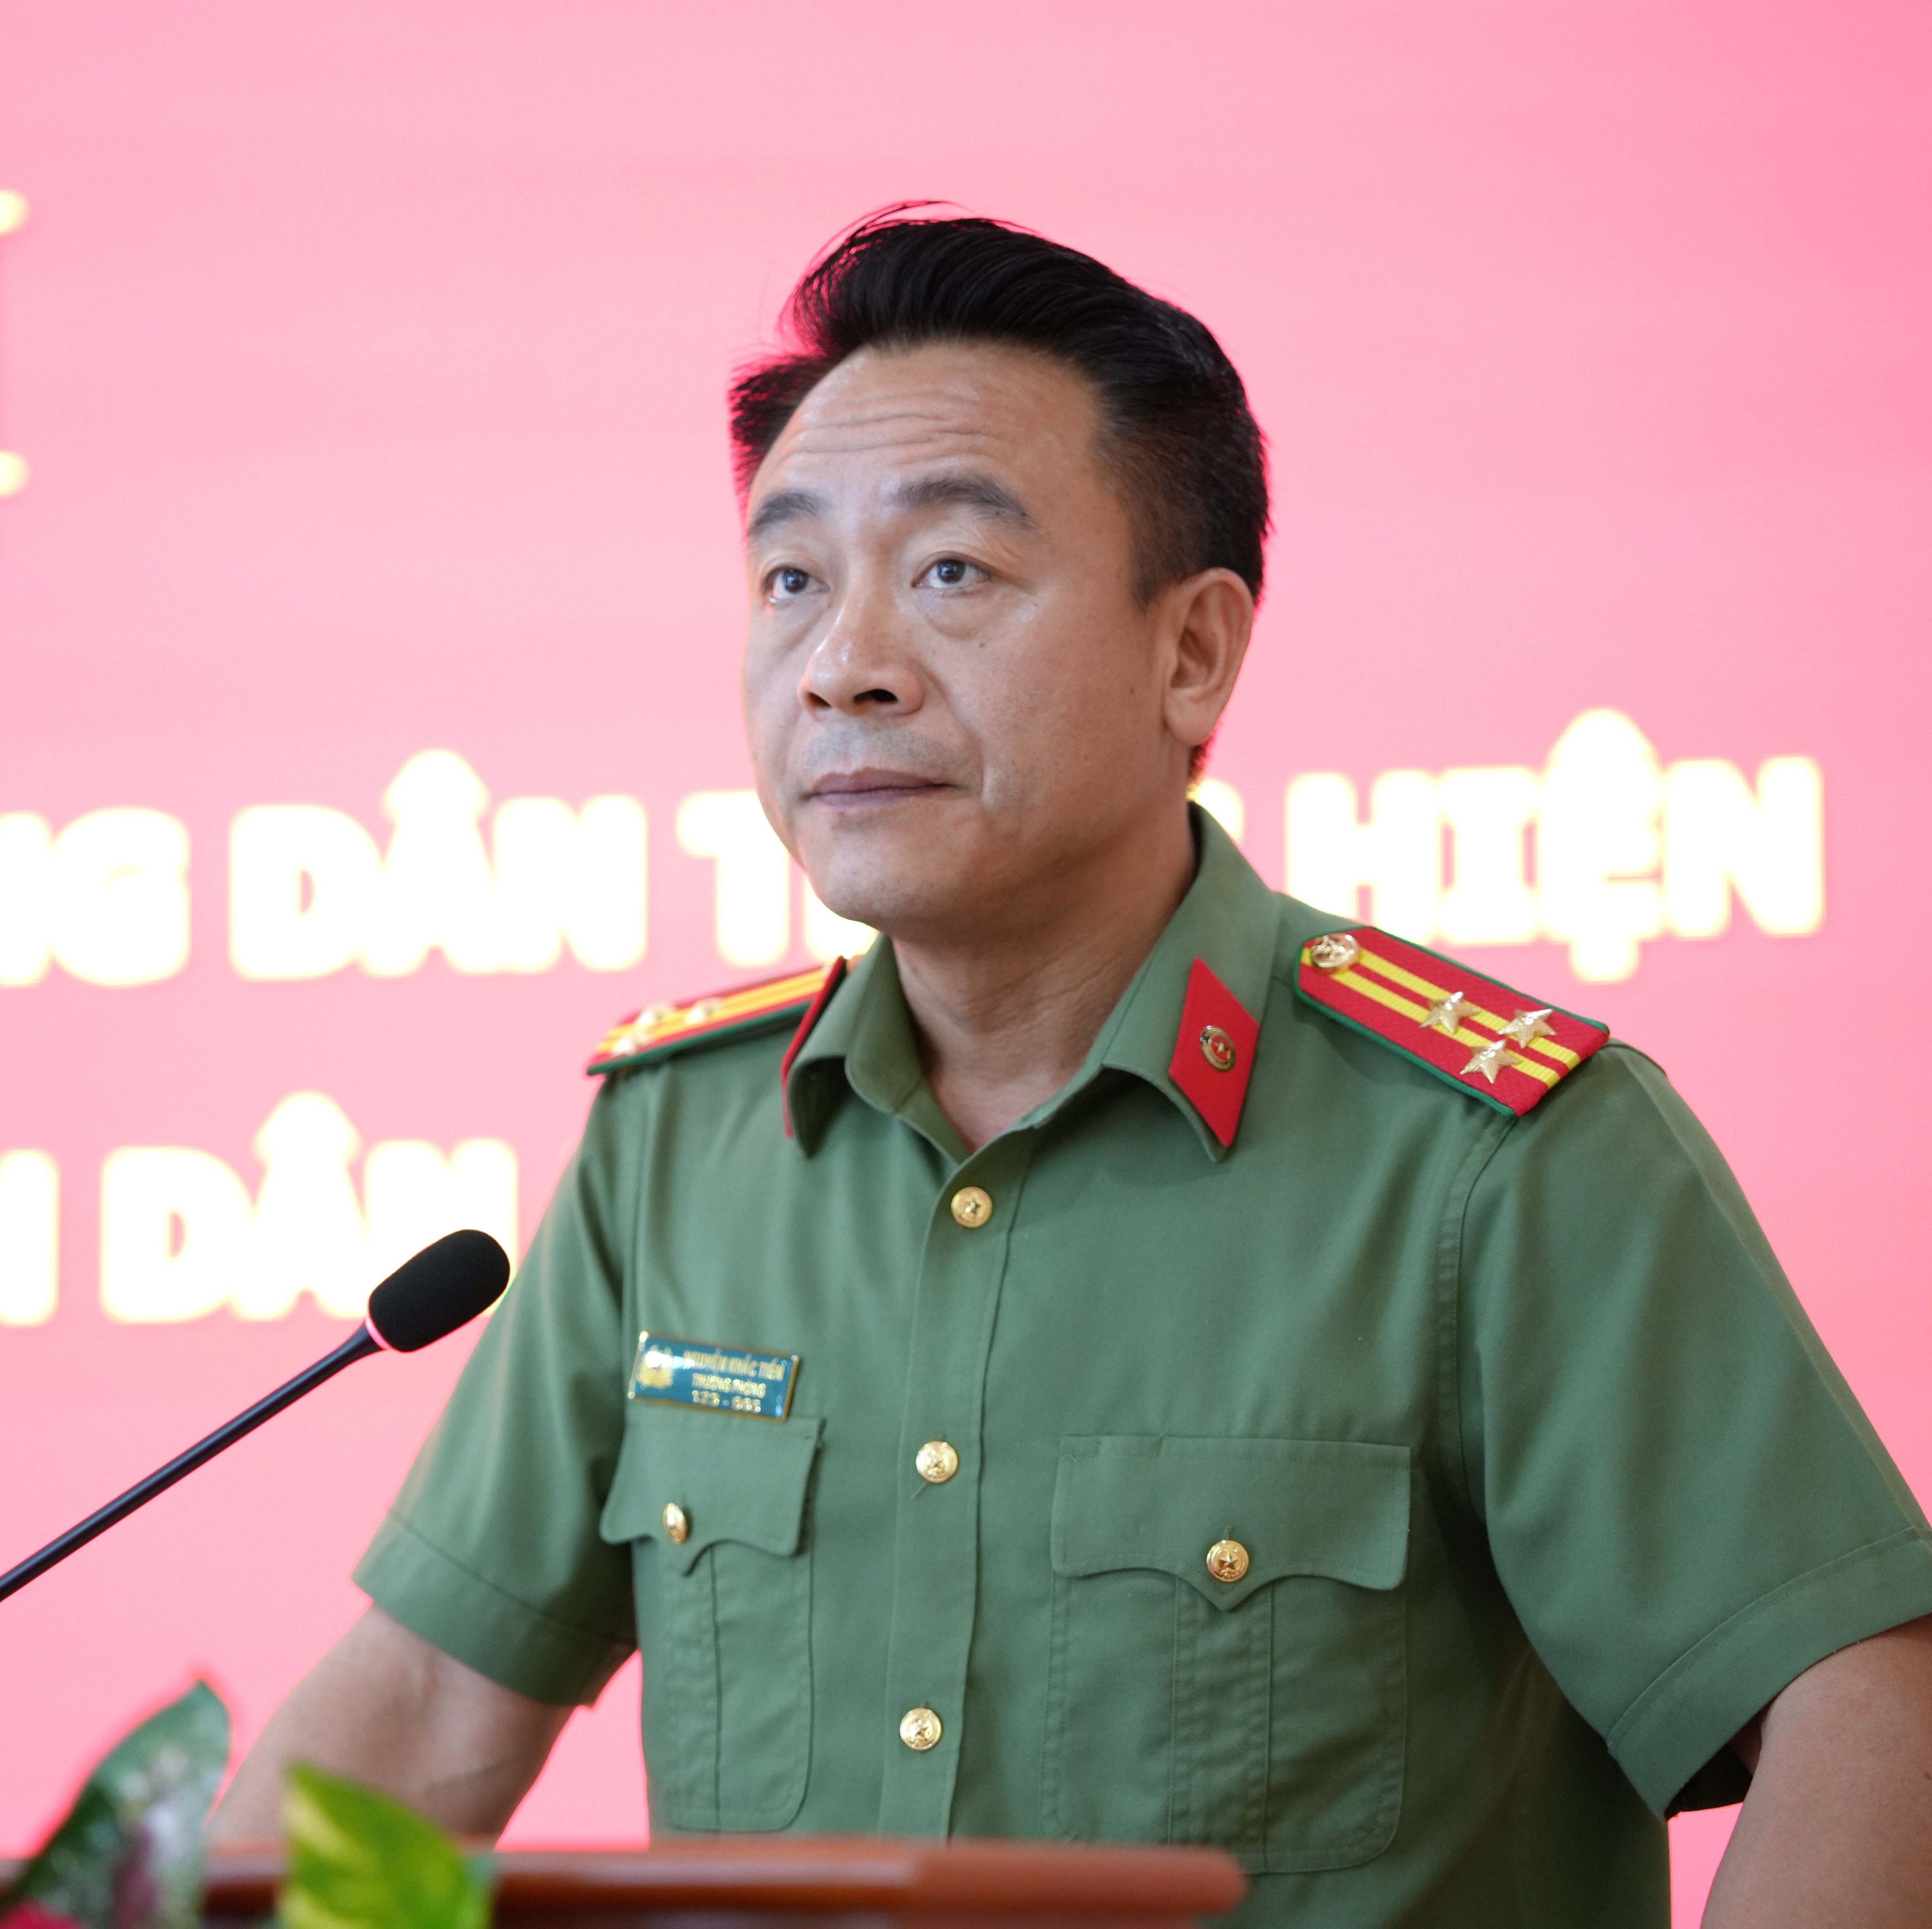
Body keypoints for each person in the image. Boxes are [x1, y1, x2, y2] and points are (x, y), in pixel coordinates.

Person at [212, 211, 1932, 1924]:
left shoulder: (1492, 1159)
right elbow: (425, 1710)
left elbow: (1868, 1712)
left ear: (1191, 654)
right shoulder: (683, 1144)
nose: (844, 667)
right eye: (791, 580)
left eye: (952, 572)